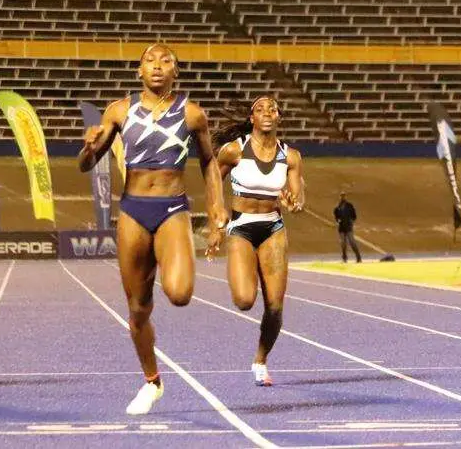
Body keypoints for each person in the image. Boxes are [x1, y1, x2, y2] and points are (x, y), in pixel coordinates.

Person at [77, 43, 227, 414]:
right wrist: (88, 148)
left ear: (176, 71)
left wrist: (216, 208)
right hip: (133, 211)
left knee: (179, 293)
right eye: (150, 60)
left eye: (165, 61)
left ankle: (164, 265)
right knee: (138, 308)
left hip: (172, 209)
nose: (157, 66)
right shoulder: (119, 110)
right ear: (138, 71)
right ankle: (152, 382)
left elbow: (209, 162)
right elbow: (86, 164)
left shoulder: (192, 114)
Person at [213, 95, 304, 386]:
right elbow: (213, 179)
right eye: (260, 109)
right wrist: (216, 218)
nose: (267, 112)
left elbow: (298, 197)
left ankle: (260, 361)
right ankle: (247, 266)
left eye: (272, 109)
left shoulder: (291, 156)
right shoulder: (234, 150)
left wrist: (294, 203)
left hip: (273, 228)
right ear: (252, 118)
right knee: (244, 300)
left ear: (278, 118)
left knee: (275, 308)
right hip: (241, 226)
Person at [334, 192, 362, 263]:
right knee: (343, 243)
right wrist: (338, 221)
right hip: (341, 227)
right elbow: (336, 217)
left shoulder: (349, 206)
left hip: (348, 227)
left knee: (352, 242)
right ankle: (344, 258)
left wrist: (351, 222)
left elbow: (354, 216)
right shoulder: (337, 207)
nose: (342, 198)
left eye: (343, 196)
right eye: (341, 196)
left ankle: (358, 257)